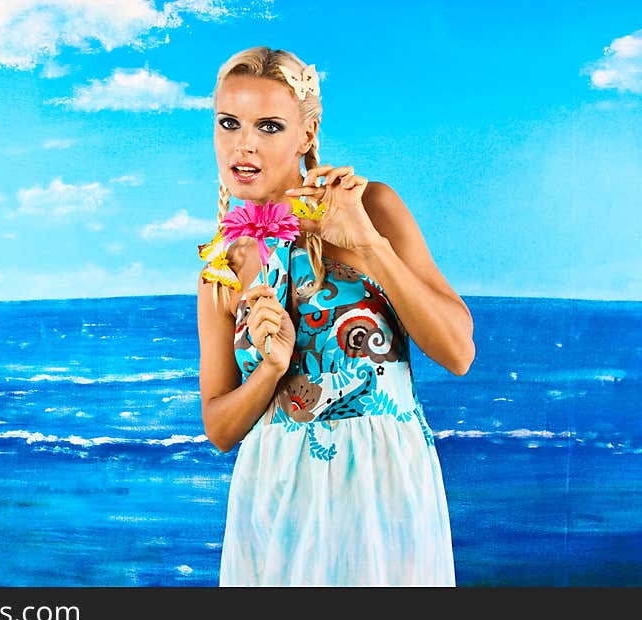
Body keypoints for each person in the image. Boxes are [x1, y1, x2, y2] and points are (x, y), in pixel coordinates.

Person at [196, 45, 476, 586]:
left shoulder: (372, 208)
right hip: (272, 498)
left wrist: (369, 248)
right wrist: (271, 371)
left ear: (307, 133)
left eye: (269, 126)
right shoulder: (220, 265)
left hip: (382, 493)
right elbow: (220, 428)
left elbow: (459, 351)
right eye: (229, 123)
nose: (243, 145)